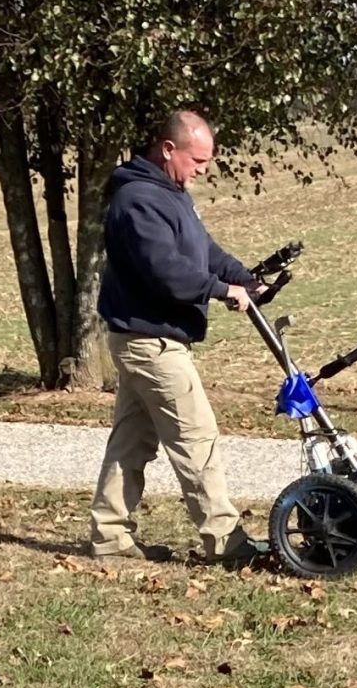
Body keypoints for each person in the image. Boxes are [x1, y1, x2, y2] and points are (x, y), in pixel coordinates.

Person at [88, 109, 270, 566]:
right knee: (196, 436)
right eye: (197, 161)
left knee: (132, 441)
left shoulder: (172, 195)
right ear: (168, 149)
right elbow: (166, 272)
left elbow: (204, 251)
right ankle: (225, 543)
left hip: (147, 338)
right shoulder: (137, 200)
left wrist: (246, 279)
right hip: (149, 342)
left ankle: (110, 538)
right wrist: (219, 291)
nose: (202, 171)